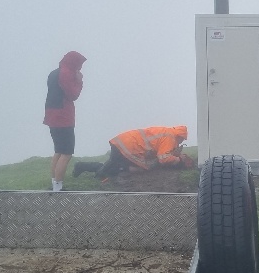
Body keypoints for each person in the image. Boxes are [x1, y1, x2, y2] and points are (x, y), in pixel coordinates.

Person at [73, 125, 194, 181]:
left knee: (115, 165)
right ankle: (98, 176)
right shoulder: (170, 138)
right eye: (182, 139)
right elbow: (163, 158)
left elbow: (158, 150)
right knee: (138, 167)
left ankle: (84, 167)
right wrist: (178, 159)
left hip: (124, 143)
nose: (181, 142)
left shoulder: (167, 133)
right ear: (179, 136)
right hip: (128, 147)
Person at [43, 51, 86, 191]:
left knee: (58, 150)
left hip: (51, 115)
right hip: (63, 116)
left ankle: (54, 183)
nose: (80, 68)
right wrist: (79, 81)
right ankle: (58, 187)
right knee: (66, 152)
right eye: (79, 64)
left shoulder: (54, 72)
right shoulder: (66, 73)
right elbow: (73, 95)